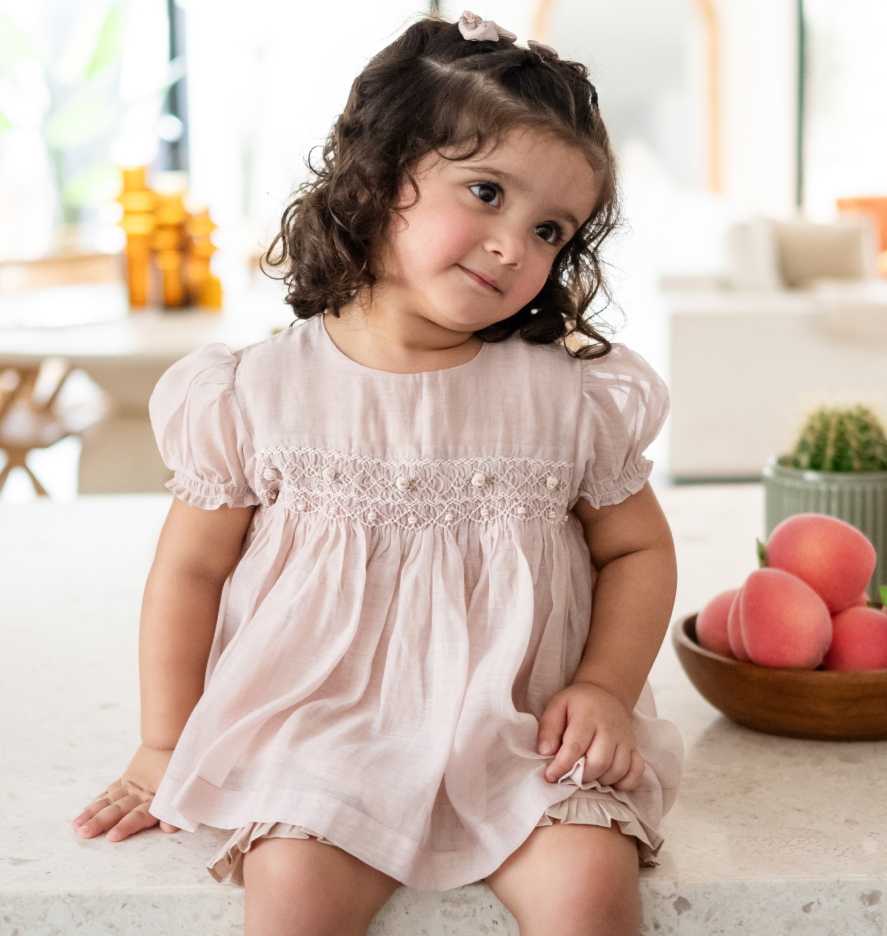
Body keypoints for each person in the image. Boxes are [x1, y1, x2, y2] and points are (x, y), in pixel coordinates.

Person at [72, 13, 682, 936]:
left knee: (592, 889)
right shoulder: (256, 391)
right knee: (294, 897)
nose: (514, 246)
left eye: (550, 230)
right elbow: (190, 571)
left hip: (520, 730)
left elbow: (637, 549)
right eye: (486, 192)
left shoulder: (568, 398)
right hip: (322, 730)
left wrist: (603, 687)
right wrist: (166, 743)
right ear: (376, 178)